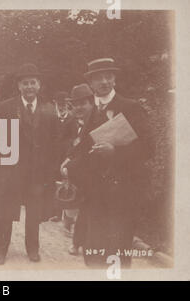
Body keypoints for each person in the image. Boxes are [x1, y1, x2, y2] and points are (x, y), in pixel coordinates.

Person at [61, 58, 153, 268]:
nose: (104, 81)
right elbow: (84, 149)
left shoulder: (131, 107)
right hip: (96, 196)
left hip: (123, 195)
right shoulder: (93, 111)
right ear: (91, 83)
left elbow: (149, 148)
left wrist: (116, 152)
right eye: (98, 78)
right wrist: (69, 165)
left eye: (108, 76)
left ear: (114, 79)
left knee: (118, 253)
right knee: (93, 252)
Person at [0, 63, 57, 265]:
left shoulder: (49, 109)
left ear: (39, 85)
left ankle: (33, 248)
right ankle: (0, 250)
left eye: (33, 83)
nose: (29, 87)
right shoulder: (6, 107)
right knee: (5, 212)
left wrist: (50, 172)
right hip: (11, 171)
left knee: (34, 213)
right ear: (19, 86)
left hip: (37, 172)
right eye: (25, 83)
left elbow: (54, 143)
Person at [59, 84, 94, 255]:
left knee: (88, 209)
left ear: (91, 103)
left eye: (83, 103)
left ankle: (82, 242)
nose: (79, 107)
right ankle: (76, 239)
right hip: (76, 169)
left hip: (95, 171)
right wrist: (70, 152)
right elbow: (62, 140)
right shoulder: (70, 121)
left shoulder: (97, 120)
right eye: (76, 104)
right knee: (77, 204)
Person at [49, 91, 74, 223]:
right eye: (59, 104)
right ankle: (55, 212)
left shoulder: (72, 117)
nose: (62, 106)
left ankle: (66, 215)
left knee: (65, 181)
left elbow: (73, 137)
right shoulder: (52, 117)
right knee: (54, 181)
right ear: (55, 104)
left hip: (65, 154)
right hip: (53, 154)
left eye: (64, 104)